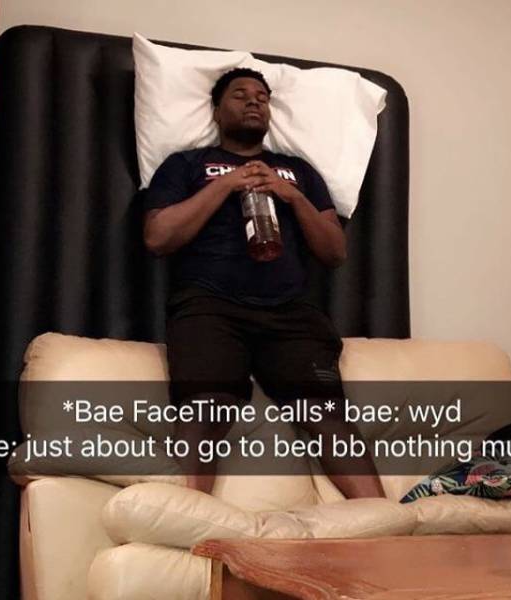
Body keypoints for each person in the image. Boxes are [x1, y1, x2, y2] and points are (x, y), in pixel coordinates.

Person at [142, 67, 384, 498]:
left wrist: (290, 195)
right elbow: (158, 237)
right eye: (239, 94)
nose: (254, 101)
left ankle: (386, 522)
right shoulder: (187, 164)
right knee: (206, 409)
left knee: (326, 413)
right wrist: (226, 184)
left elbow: (335, 252)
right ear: (216, 110)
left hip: (290, 311)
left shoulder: (297, 171)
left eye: (262, 96)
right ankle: (187, 518)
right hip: (209, 305)